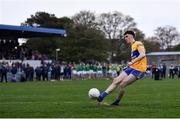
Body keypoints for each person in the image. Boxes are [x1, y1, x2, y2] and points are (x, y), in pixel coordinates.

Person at [97, 30, 147, 106]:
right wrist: (130, 64)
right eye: (124, 37)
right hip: (132, 67)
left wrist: (132, 62)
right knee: (116, 80)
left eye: (126, 36)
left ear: (131, 36)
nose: (125, 38)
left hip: (139, 69)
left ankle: (117, 101)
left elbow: (142, 54)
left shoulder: (138, 43)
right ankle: (102, 96)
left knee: (122, 84)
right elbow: (136, 58)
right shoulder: (132, 46)